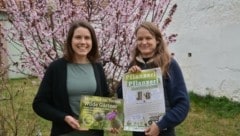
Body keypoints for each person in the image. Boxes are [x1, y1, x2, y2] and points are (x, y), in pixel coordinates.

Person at [32, 20, 109, 136]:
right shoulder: (56, 68)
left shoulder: (97, 67)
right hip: (65, 132)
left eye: (87, 38)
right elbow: (39, 104)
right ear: (70, 40)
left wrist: (111, 121)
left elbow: (105, 98)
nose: (83, 42)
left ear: (92, 41)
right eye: (78, 37)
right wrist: (64, 117)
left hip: (93, 132)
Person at [117, 22, 190, 136]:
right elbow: (121, 97)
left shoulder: (169, 64)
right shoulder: (133, 64)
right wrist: (128, 80)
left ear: (157, 40)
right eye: (140, 39)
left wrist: (160, 125)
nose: (144, 42)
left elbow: (182, 104)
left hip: (163, 132)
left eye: (148, 38)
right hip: (138, 132)